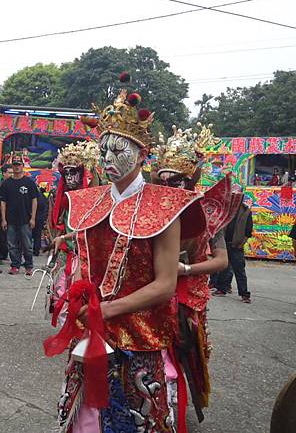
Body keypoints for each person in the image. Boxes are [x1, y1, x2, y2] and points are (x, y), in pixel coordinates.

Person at [44, 81, 203, 432]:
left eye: (120, 151)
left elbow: (164, 285)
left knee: (135, 418)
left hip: (139, 336)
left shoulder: (164, 205)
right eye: (104, 152)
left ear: (143, 154)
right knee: (85, 417)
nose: (109, 160)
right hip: (92, 332)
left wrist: (107, 310)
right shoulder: (91, 200)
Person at [152, 123, 238, 427]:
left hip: (188, 297)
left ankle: (177, 403)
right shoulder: (154, 210)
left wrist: (185, 269)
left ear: (189, 181)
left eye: (176, 181)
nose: (169, 187)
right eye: (163, 181)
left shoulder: (207, 212)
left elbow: (221, 261)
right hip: (153, 291)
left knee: (184, 352)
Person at [48, 141, 98, 326]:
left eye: (73, 172)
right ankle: (66, 327)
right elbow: (58, 222)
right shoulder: (62, 197)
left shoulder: (94, 196)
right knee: (60, 288)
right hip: (66, 250)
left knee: (81, 292)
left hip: (85, 252)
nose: (69, 177)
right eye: (66, 173)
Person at [0, 154, 37, 276]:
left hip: (25, 219)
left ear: (23, 166)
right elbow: (3, 202)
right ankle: (15, 265)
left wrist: (33, 218)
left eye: (19, 165)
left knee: (27, 244)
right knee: (12, 244)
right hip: (11, 219)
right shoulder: (6, 184)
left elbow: (34, 200)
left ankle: (29, 266)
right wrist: (4, 219)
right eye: (14, 165)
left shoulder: (29, 182)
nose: (17, 168)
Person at [213, 194, 253, 303]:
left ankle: (244, 294)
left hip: (236, 245)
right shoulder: (227, 211)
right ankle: (222, 289)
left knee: (239, 270)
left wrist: (242, 243)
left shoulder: (246, 212)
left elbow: (248, 231)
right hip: (225, 244)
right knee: (224, 267)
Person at [33, 185, 48, 256]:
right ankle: (36, 251)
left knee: (30, 235)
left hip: (33, 217)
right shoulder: (43, 197)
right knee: (38, 235)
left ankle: (30, 250)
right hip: (40, 218)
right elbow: (46, 208)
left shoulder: (33, 196)